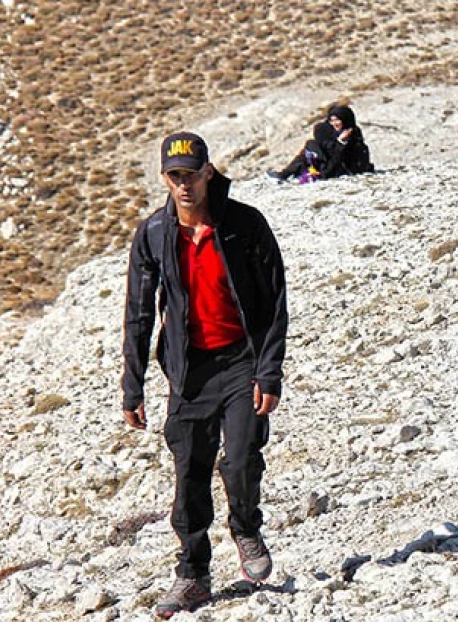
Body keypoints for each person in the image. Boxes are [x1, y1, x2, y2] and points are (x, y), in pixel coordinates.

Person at [123, 133, 288, 616]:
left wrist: (269, 371)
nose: (185, 185)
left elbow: (275, 300)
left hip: (242, 362)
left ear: (209, 172)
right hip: (189, 371)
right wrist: (133, 386)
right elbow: (138, 313)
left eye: (192, 174)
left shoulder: (243, 224)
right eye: (175, 177)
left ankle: (246, 526)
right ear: (165, 180)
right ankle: (192, 576)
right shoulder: (154, 234)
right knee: (189, 475)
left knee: (239, 460)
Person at [267, 105, 373, 183]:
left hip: (343, 166)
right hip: (324, 161)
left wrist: (342, 143)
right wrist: (339, 142)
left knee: (310, 148)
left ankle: (285, 174)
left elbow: (349, 154)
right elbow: (326, 149)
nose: (334, 124)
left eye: (338, 120)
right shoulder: (323, 129)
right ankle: (285, 174)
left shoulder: (353, 131)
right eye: (332, 120)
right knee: (310, 146)